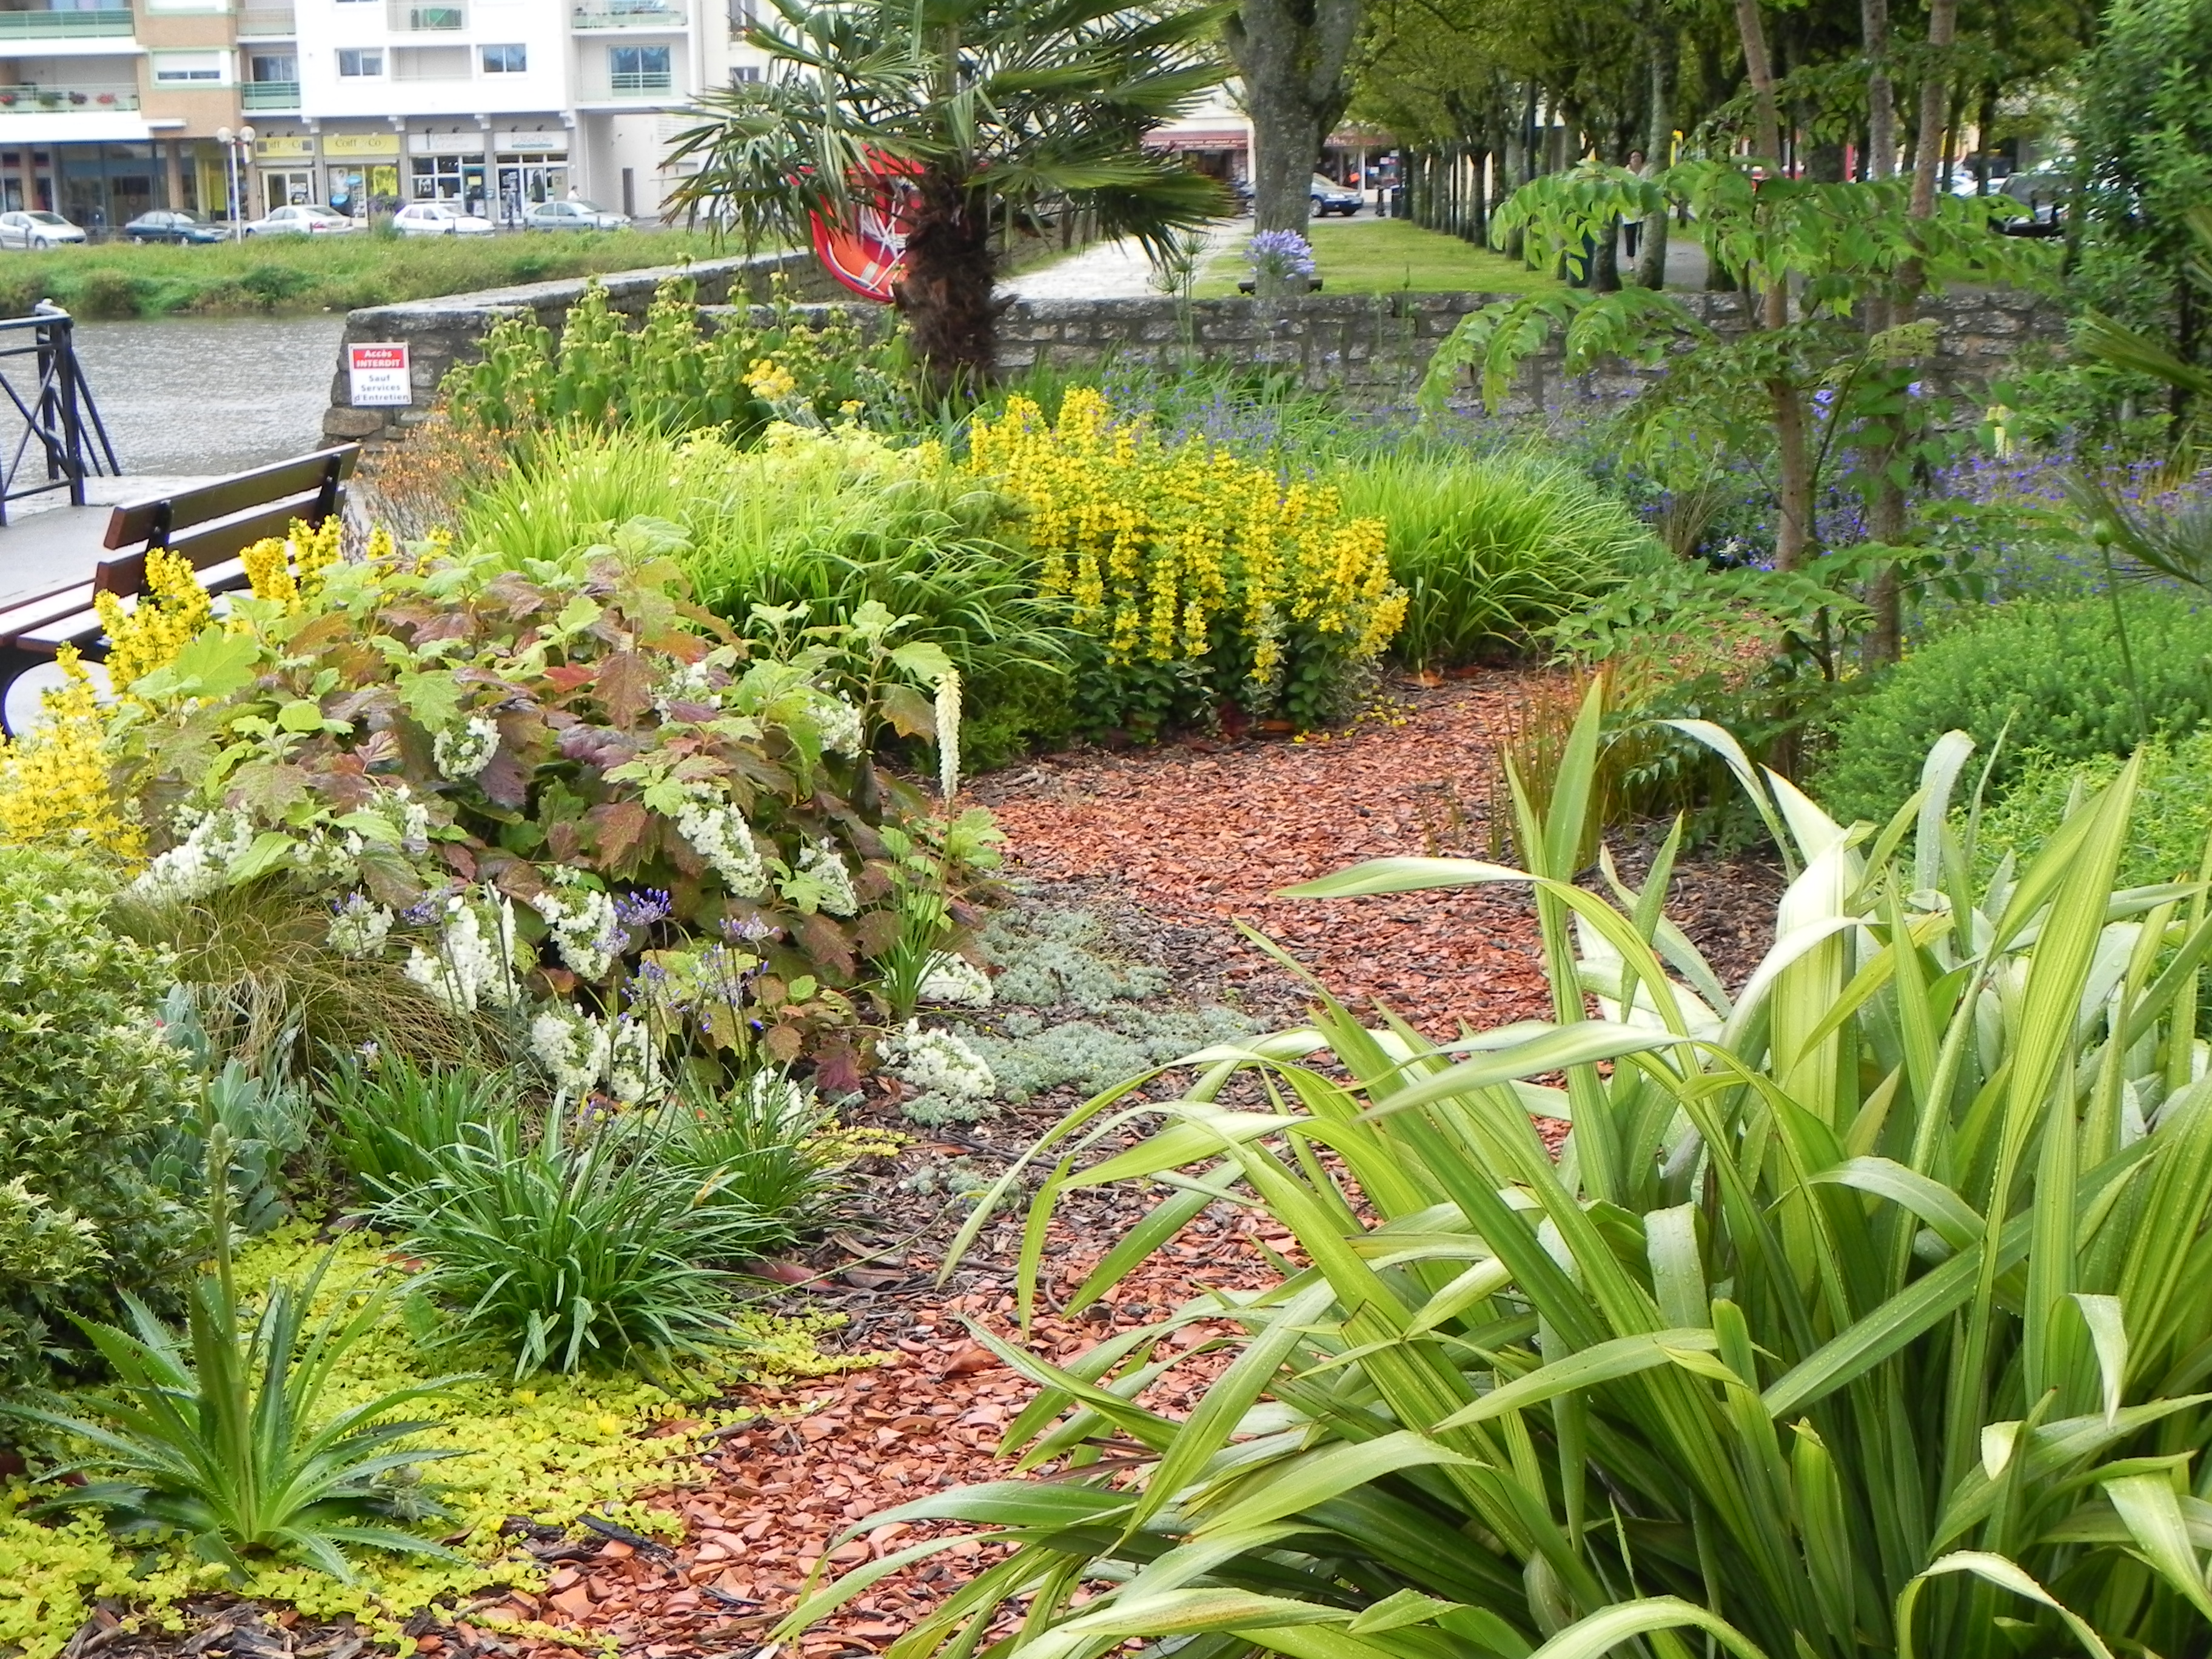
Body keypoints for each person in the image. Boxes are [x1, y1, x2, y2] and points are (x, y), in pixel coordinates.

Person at [1623, 149, 1649, 261]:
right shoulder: (1626, 173)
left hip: (1643, 207)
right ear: (1630, 160)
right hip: (1630, 208)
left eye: (1638, 156)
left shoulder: (1646, 172)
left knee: (1643, 235)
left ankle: (1644, 257)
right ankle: (1631, 260)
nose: (1636, 159)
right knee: (1630, 235)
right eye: (1634, 157)